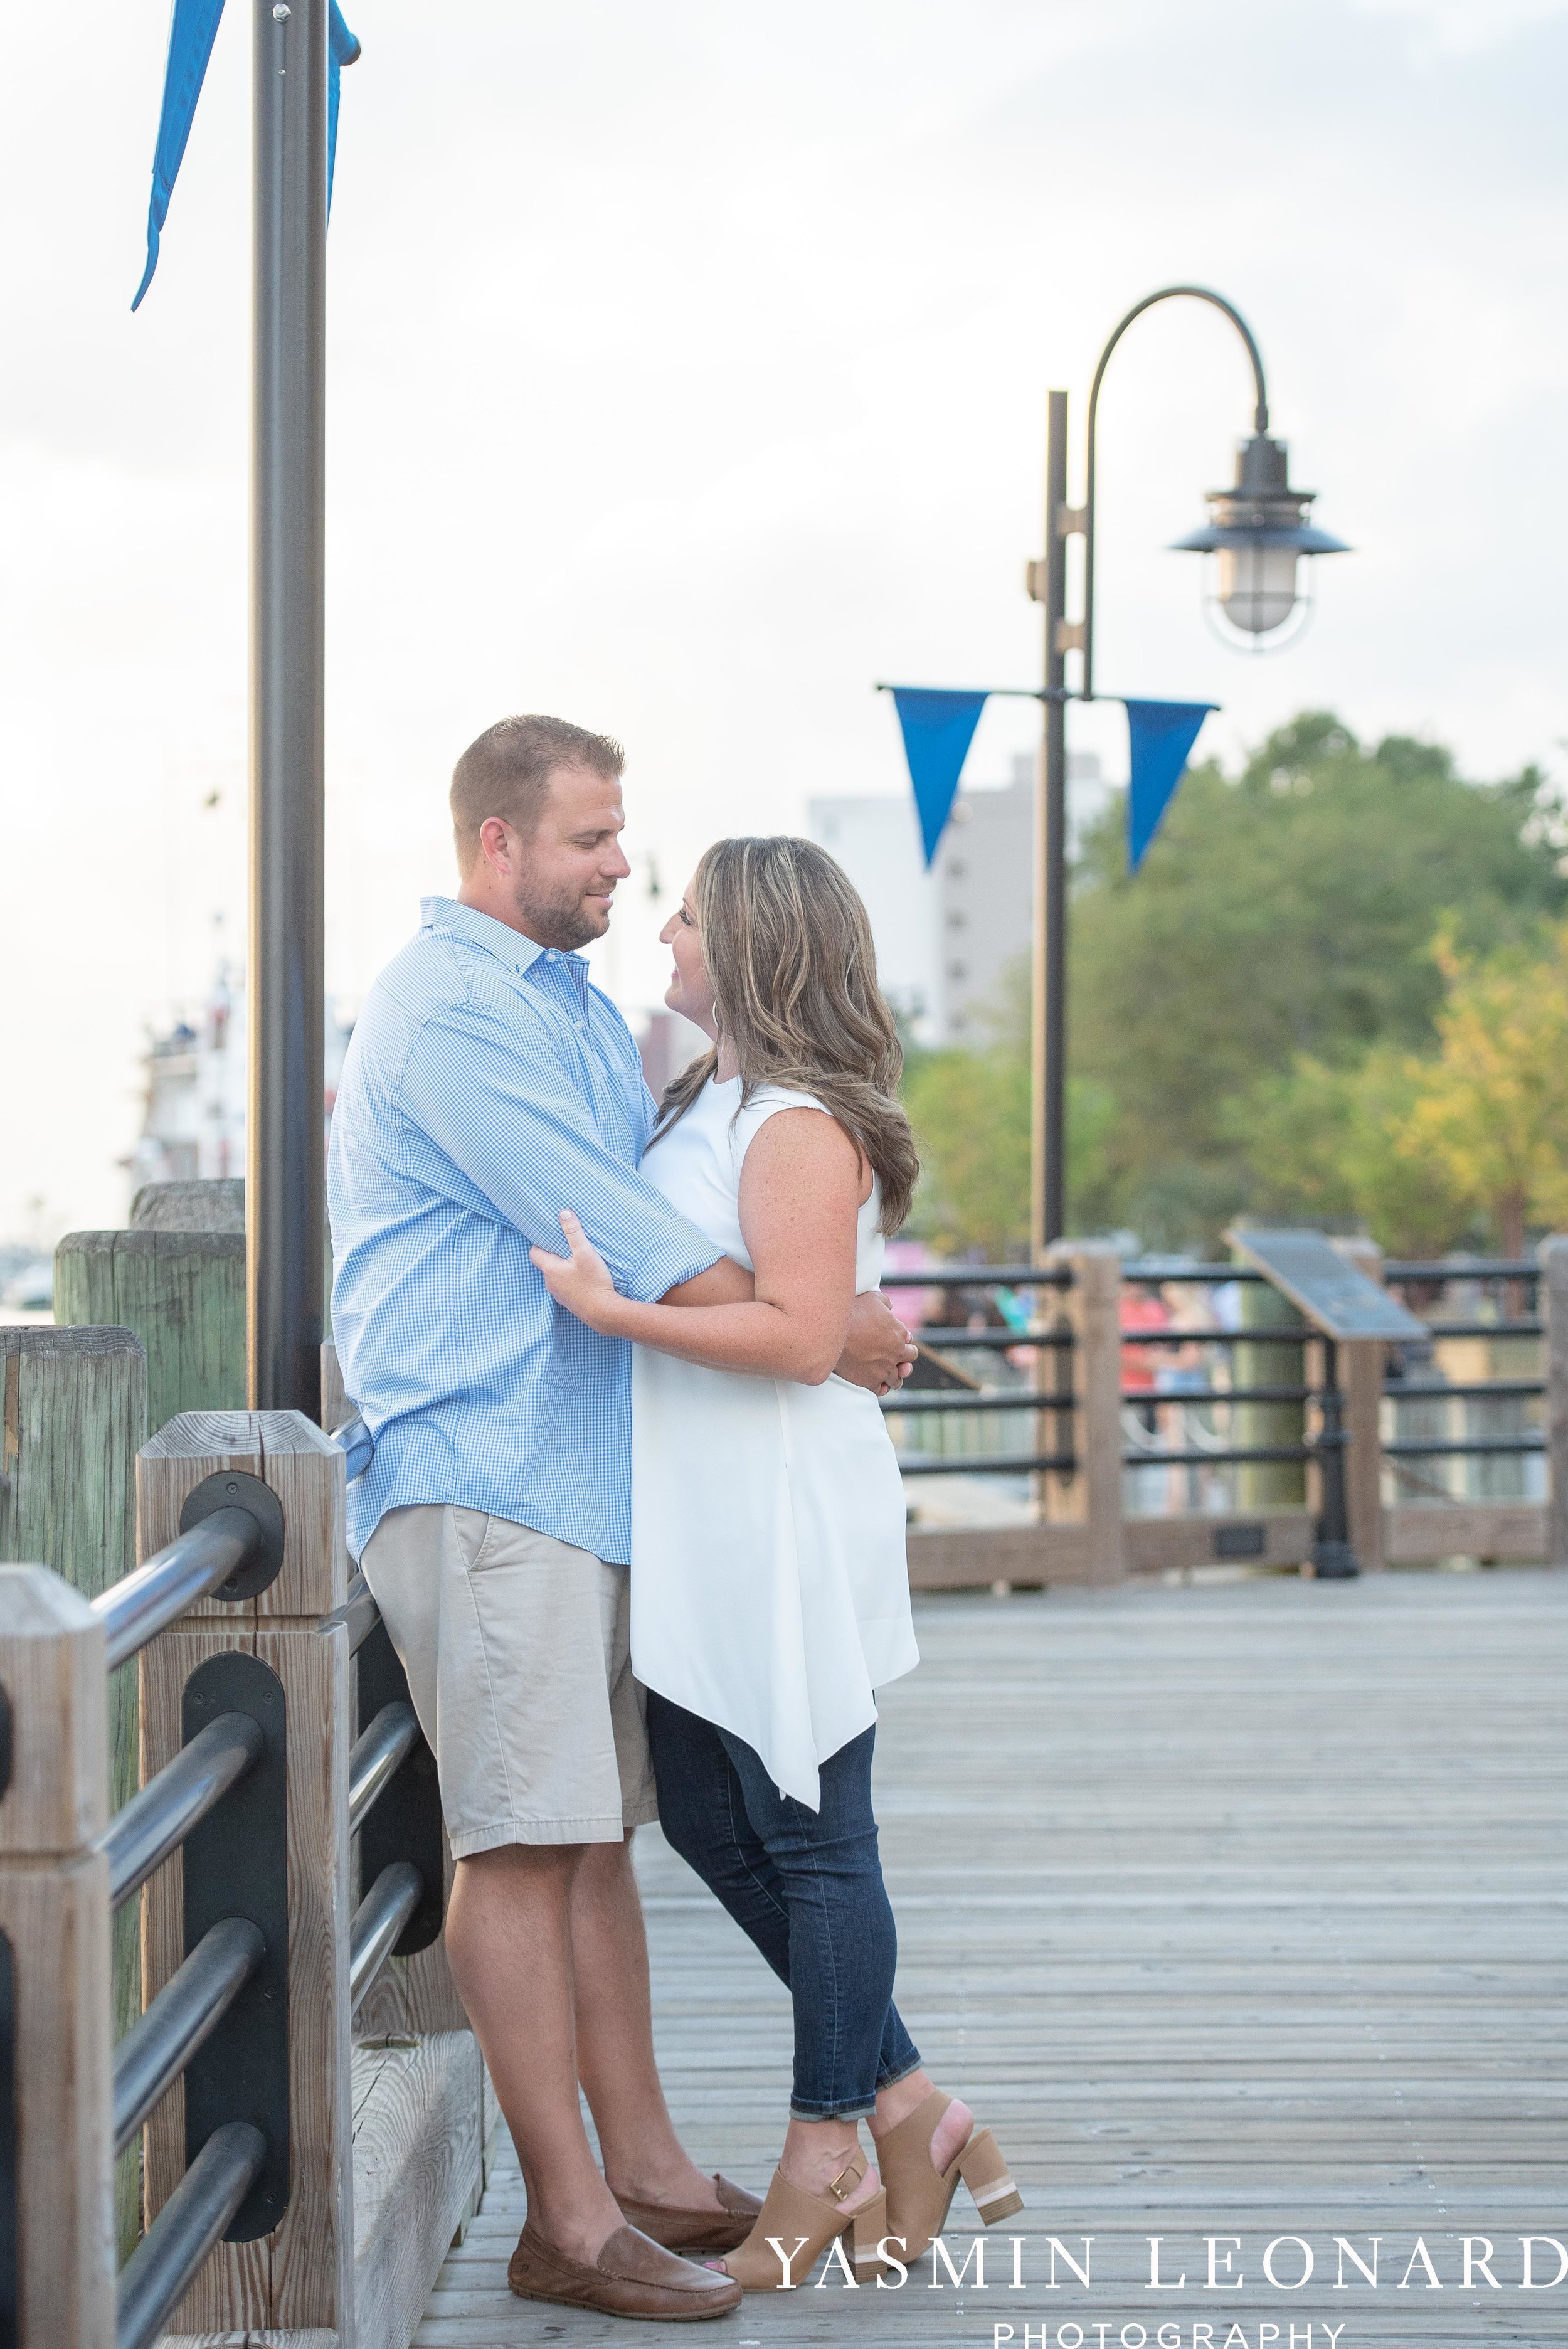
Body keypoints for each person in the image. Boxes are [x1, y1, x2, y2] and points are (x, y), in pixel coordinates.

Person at [328, 718, 914, 2323]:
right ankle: (564, 2219)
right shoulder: (452, 1010)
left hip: (582, 1476)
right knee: (520, 1846)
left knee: (589, 1846)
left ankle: (646, 2173)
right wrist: (819, 1325)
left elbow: (705, 1171)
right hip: (484, 1469)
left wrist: (811, 1309)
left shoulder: (573, 1008)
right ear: (497, 844)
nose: (621, 868)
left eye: (622, 838)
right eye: (592, 840)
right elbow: (608, 1224)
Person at [531, 835, 1024, 2291]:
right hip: (701, 1506)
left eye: (684, 914)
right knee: (702, 1812)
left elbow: (807, 1338)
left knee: (812, 1831)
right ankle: (909, 2107)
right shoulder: (707, 1096)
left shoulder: (798, 1121)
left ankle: (828, 2145)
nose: (662, 931)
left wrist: (611, 1316)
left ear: (745, 942)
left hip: (780, 1509)